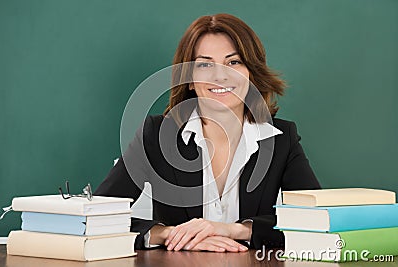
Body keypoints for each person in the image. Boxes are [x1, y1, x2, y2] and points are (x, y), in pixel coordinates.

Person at [95, 13, 321, 252]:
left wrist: (235, 230)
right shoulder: (155, 135)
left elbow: (317, 221)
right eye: (204, 64)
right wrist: (170, 234)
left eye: (233, 62)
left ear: (251, 74)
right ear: (190, 79)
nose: (220, 75)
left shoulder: (281, 139)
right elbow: (97, 217)